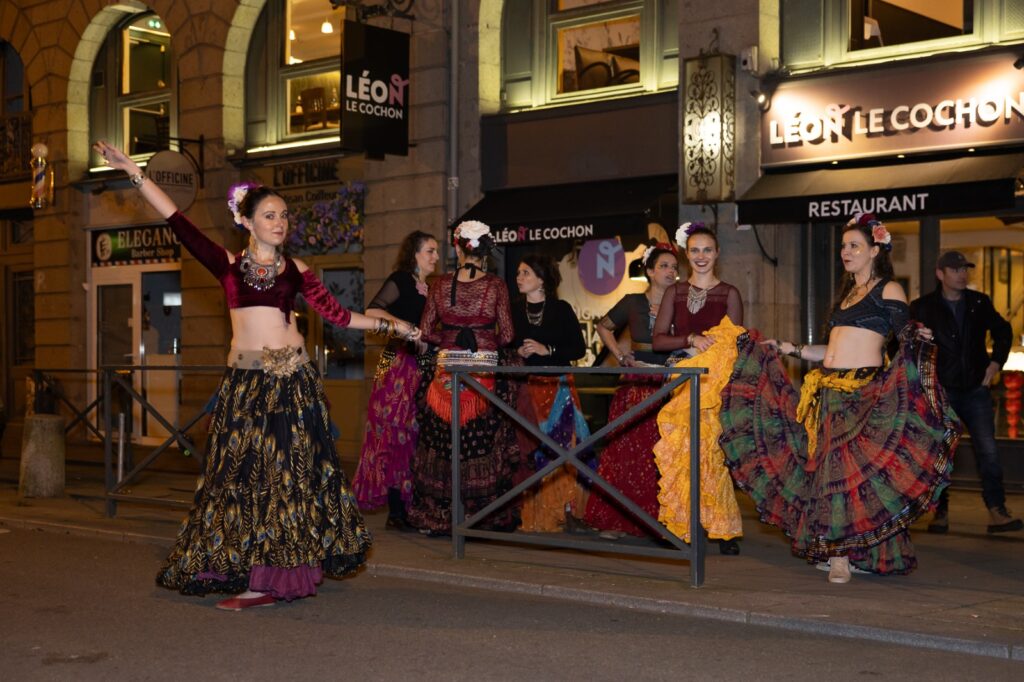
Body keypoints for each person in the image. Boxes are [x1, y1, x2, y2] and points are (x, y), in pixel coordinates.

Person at [93, 140, 419, 611]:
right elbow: (177, 221)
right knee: (241, 481)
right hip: (246, 387)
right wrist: (133, 171)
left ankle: (271, 581)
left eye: (284, 215)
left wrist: (397, 326)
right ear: (245, 222)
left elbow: (342, 318)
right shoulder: (227, 266)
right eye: (270, 215)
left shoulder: (298, 271)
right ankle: (250, 572)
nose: (281, 222)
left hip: (293, 385)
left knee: (287, 482)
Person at [719, 213, 960, 584]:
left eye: (854, 246)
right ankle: (848, 550)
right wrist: (788, 348)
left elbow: (903, 336)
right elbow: (831, 349)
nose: (845, 252)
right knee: (832, 476)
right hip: (827, 393)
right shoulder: (847, 294)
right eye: (844, 246)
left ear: (875, 250)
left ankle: (841, 557)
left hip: (860, 393)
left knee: (844, 478)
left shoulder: (888, 289)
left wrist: (919, 336)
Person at [407, 220, 521, 535]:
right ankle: (482, 519)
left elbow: (427, 332)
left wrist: (453, 333)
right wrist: (483, 340)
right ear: (485, 252)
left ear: (457, 247)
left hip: (445, 375)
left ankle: (441, 518)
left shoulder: (439, 284)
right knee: (480, 446)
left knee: (443, 447)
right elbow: (509, 335)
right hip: (484, 373)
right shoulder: (496, 285)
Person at [909, 251, 1022, 534]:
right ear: (940, 273)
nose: (962, 273)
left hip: (975, 390)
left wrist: (996, 362)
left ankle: (997, 511)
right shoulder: (923, 308)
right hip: (940, 393)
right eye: (955, 269)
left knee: (989, 451)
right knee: (941, 453)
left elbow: (1003, 331)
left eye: (965, 269)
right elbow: (903, 344)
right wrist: (917, 379)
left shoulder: (978, 303)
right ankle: (940, 513)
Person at [651, 223, 744, 555]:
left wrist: (715, 349)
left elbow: (738, 345)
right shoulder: (674, 293)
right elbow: (658, 339)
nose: (701, 256)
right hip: (682, 381)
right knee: (681, 453)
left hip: (716, 385)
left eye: (707, 249)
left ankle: (724, 529)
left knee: (711, 455)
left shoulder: (729, 293)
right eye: (695, 250)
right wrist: (690, 339)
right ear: (686, 255)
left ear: (717, 253)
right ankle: (682, 526)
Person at [583, 244, 678, 539]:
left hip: (671, 381)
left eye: (674, 267)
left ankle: (662, 521)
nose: (670, 272)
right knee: (627, 451)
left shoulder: (684, 303)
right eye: (664, 266)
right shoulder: (633, 301)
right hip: (637, 381)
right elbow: (603, 327)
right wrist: (621, 355)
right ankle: (618, 520)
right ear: (649, 272)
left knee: (665, 453)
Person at [353, 230, 440, 532]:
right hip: (395, 360)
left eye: (436, 251)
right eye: (430, 250)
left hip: (421, 364)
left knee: (414, 435)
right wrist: (402, 325)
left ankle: (411, 505)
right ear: (414, 253)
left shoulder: (430, 288)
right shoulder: (402, 280)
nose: (435, 257)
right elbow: (372, 310)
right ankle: (397, 510)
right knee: (392, 432)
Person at [510, 254, 589, 532]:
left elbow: (579, 350)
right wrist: (516, 352)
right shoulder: (513, 310)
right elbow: (502, 347)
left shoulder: (561, 309)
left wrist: (548, 351)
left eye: (525, 272)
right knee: (529, 450)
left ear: (541, 279)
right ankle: (530, 510)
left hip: (558, 389)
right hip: (525, 389)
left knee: (564, 449)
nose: (519, 277)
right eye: (518, 272)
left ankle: (566, 510)